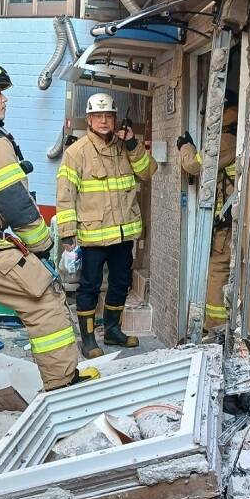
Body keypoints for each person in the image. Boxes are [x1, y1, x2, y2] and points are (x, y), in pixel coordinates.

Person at [0, 62, 81, 391]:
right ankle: (63, 390)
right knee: (44, 300)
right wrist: (41, 246)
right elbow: (13, 201)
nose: (4, 100)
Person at [56, 93, 157, 358]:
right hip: (92, 237)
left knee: (121, 283)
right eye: (98, 116)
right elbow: (65, 195)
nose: (103, 121)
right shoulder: (76, 153)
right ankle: (88, 339)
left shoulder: (126, 148)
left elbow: (147, 172)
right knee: (89, 287)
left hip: (123, 234)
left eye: (108, 116)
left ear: (115, 119)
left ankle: (113, 331)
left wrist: (134, 143)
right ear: (89, 120)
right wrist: (68, 235)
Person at [177, 100, 237, 333]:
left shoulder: (226, 140)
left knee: (217, 271)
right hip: (229, 221)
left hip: (227, 226)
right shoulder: (234, 135)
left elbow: (194, 165)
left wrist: (185, 147)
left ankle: (215, 327)